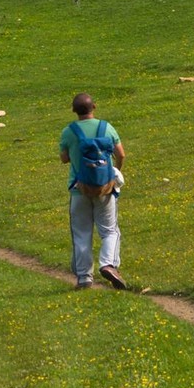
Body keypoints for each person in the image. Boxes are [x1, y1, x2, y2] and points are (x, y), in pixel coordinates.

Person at [59, 92, 128, 290]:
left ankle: (84, 278)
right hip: (104, 189)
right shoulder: (106, 128)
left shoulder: (69, 132)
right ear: (94, 107)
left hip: (79, 190)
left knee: (81, 233)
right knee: (109, 230)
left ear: (74, 111)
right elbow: (121, 154)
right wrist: (112, 173)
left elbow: (64, 158)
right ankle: (108, 264)